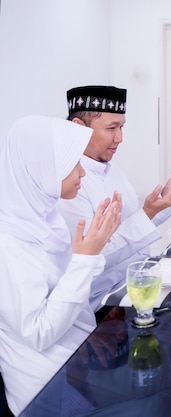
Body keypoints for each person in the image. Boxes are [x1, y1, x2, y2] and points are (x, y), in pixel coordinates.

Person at [0, 115, 121, 414]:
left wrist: (95, 246)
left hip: (79, 365)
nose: (82, 172)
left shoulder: (44, 217)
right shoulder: (8, 241)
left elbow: (68, 288)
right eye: (71, 164)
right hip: (48, 392)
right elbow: (38, 332)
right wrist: (86, 258)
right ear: (39, 169)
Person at [57, 85, 171, 313]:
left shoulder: (106, 167)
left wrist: (166, 200)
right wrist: (149, 212)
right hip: (105, 301)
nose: (120, 138)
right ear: (78, 128)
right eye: (112, 128)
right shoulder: (68, 184)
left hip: (137, 280)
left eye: (121, 127)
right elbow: (92, 258)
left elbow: (133, 223)